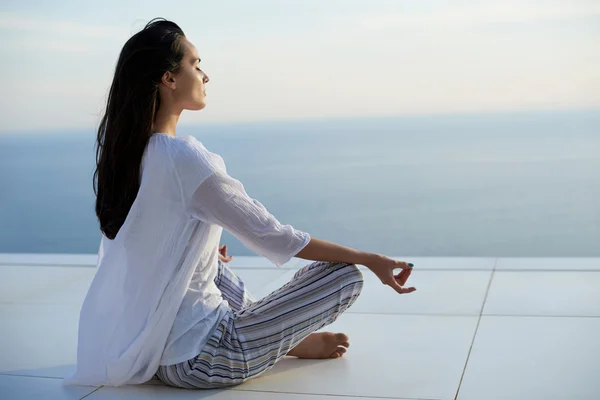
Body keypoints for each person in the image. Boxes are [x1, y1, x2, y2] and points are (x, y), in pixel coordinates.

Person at [63, 18, 416, 390]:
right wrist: (368, 258)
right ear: (168, 79)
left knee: (210, 261)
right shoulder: (186, 159)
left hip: (150, 354)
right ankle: (290, 341)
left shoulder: (129, 156)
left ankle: (285, 340)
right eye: (195, 65)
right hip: (208, 359)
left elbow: (142, 250)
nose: (205, 75)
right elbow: (276, 237)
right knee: (345, 275)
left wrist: (201, 249)